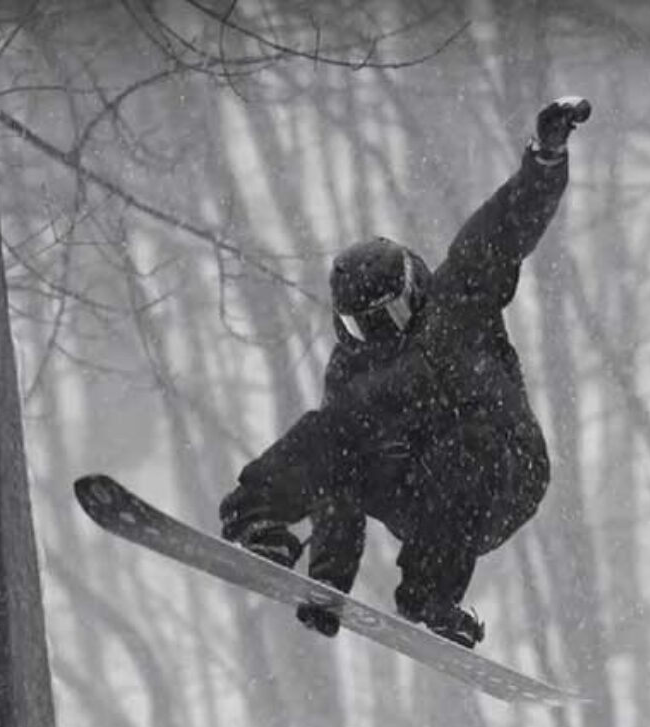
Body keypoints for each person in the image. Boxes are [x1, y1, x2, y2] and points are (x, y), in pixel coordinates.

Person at [219, 96, 591, 648]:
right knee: (325, 432)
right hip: (412, 492)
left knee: (466, 447)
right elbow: (336, 480)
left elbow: (510, 221)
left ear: (414, 288)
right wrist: (328, 580)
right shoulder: (351, 373)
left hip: (503, 473)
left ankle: (432, 596)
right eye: (366, 325)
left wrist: (545, 157)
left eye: (392, 314)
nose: (385, 333)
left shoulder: (460, 296)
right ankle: (257, 522)